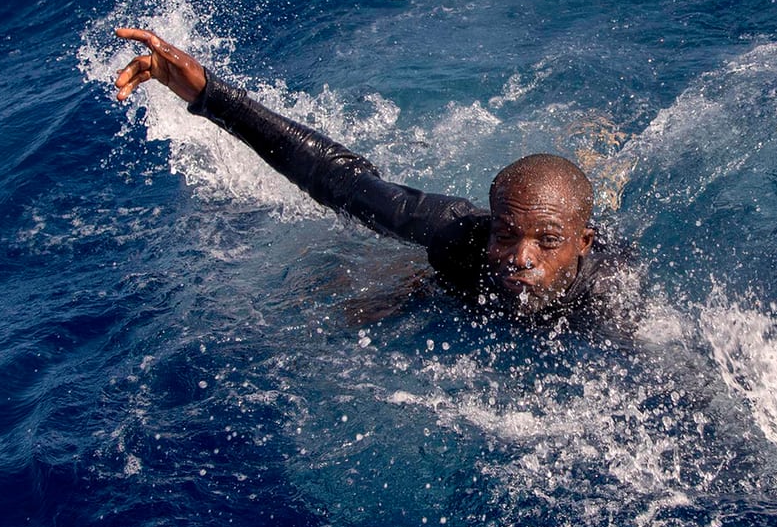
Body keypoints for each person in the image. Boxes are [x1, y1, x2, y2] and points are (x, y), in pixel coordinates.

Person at [113, 28, 632, 325]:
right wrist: (207, 93)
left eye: (547, 242)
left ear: (582, 244)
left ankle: (596, 150)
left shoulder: (610, 297)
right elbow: (334, 176)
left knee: (593, 185)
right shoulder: (457, 234)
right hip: (456, 265)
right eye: (506, 233)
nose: (521, 258)